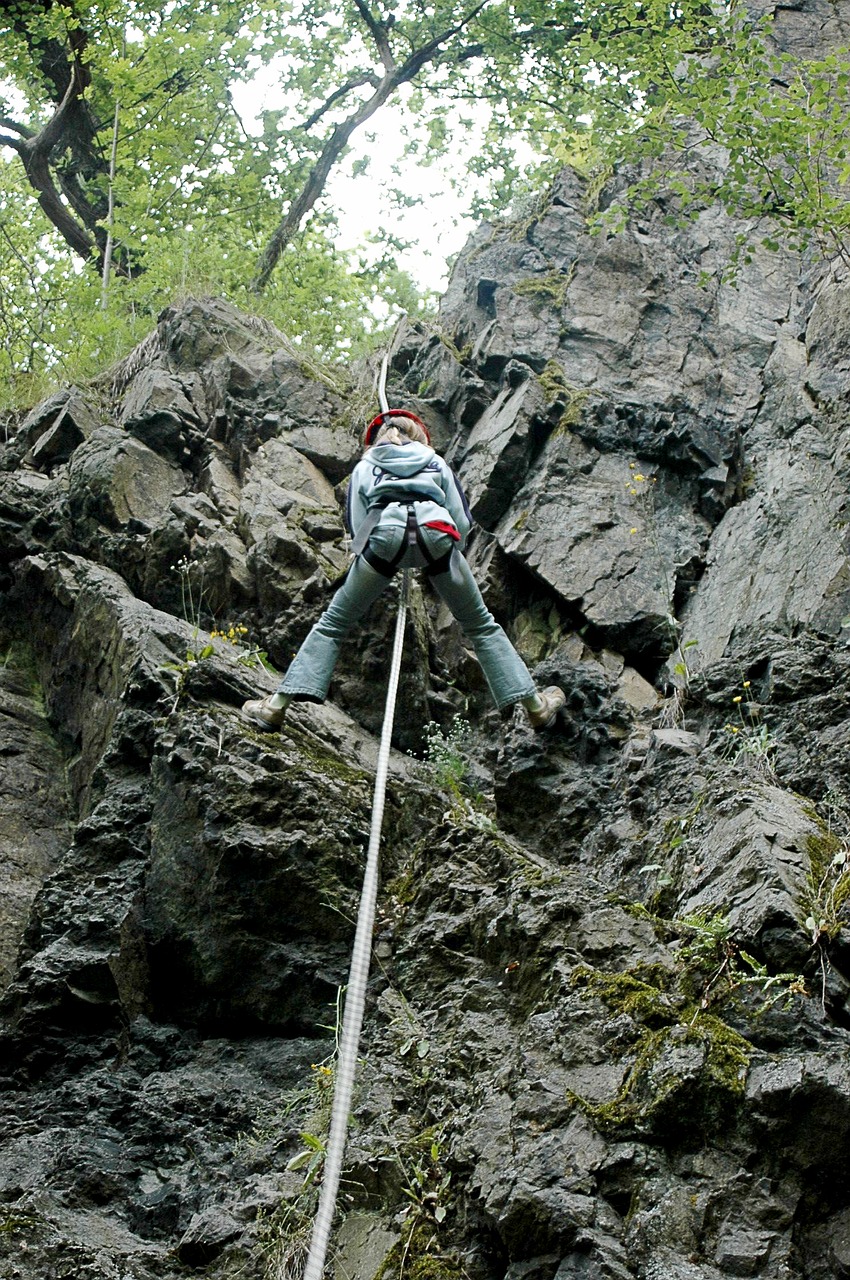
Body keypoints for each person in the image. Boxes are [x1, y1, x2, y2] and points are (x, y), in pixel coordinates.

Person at [241, 409, 565, 731]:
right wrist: (448, 553)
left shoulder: (366, 465)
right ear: (419, 435)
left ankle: (275, 707)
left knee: (333, 623)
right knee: (481, 625)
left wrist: (377, 551)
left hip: (385, 538)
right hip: (438, 535)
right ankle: (536, 708)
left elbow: (356, 524)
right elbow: (463, 520)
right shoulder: (435, 461)